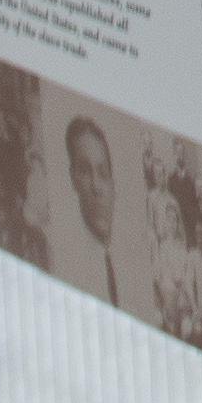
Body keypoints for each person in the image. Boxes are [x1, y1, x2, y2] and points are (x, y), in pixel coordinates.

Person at [54, 113, 131, 305]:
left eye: (103, 174)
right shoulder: (65, 269)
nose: (96, 186)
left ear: (113, 185)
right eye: (85, 172)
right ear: (73, 179)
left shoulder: (128, 269)